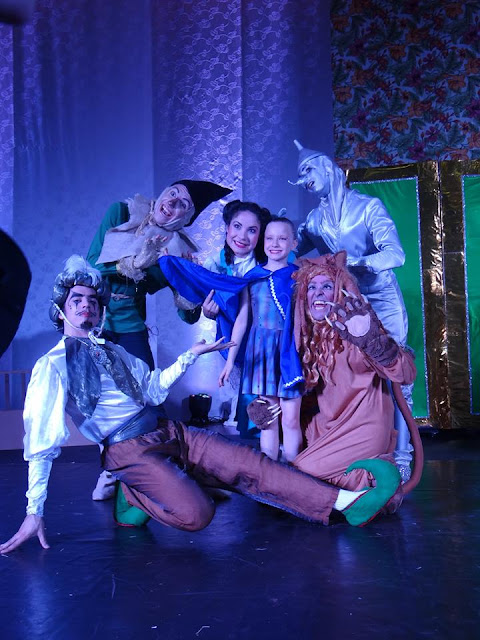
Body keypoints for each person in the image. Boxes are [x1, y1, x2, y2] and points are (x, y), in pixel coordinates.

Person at [0, 256, 405, 553]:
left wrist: (190, 356)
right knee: (198, 514)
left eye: (92, 300)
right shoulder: (52, 366)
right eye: (76, 300)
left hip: (166, 430)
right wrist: (35, 510)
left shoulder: (115, 351)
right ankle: (135, 493)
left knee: (252, 464)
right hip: (127, 450)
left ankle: (345, 505)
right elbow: (41, 442)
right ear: (61, 309)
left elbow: (153, 392)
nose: (85, 305)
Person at [87, 180, 231, 499]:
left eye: (183, 205)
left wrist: (193, 294)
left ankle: (182, 475)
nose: (173, 203)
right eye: (173, 193)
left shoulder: (176, 249)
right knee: (101, 403)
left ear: (187, 217)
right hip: (94, 320)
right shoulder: (122, 212)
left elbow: (188, 316)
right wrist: (134, 262)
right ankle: (110, 471)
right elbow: (93, 263)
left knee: (151, 401)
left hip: (130, 324)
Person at [291, 140, 414, 482]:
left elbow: (396, 254)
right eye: (300, 174)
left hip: (380, 298)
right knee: (349, 375)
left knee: (396, 375)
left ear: (327, 168)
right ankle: (357, 446)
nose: (303, 179)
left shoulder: (368, 207)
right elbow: (288, 255)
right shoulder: (314, 221)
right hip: (343, 302)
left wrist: (354, 264)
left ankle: (403, 455)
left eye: (308, 170)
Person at [290, 252, 417, 491]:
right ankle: (368, 481)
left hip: (363, 427)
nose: (318, 293)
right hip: (325, 427)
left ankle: (371, 481)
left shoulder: (356, 326)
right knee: (288, 459)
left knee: (300, 473)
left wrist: (370, 340)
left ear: (339, 293)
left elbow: (405, 373)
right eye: (311, 287)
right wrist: (273, 410)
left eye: (327, 286)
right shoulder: (306, 339)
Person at [218, 217, 303, 462]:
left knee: (290, 419)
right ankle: (270, 475)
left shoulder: (299, 276)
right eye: (269, 238)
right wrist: (230, 360)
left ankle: (295, 474)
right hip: (261, 351)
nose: (275, 244)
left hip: (288, 351)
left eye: (282, 238)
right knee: (267, 419)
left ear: (294, 243)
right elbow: (242, 319)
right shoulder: (252, 276)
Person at [200, 200, 272, 435]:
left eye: (252, 230)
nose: (242, 236)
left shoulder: (266, 266)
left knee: (260, 396)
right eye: (237, 226)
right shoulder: (214, 263)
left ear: (260, 235)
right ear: (227, 228)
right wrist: (208, 311)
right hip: (230, 335)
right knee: (235, 386)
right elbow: (206, 302)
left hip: (261, 340)